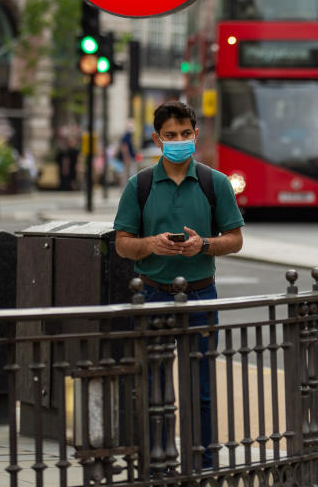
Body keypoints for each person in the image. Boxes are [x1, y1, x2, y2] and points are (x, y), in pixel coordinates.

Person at [113, 101, 245, 469]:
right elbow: (123, 243)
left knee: (200, 388)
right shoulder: (138, 185)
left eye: (185, 134)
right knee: (153, 386)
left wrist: (202, 244)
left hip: (201, 293)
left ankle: (202, 461)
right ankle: (158, 460)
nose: (179, 141)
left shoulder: (214, 183)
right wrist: (149, 244)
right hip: (153, 292)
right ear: (157, 139)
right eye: (170, 135)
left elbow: (235, 239)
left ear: (196, 135)